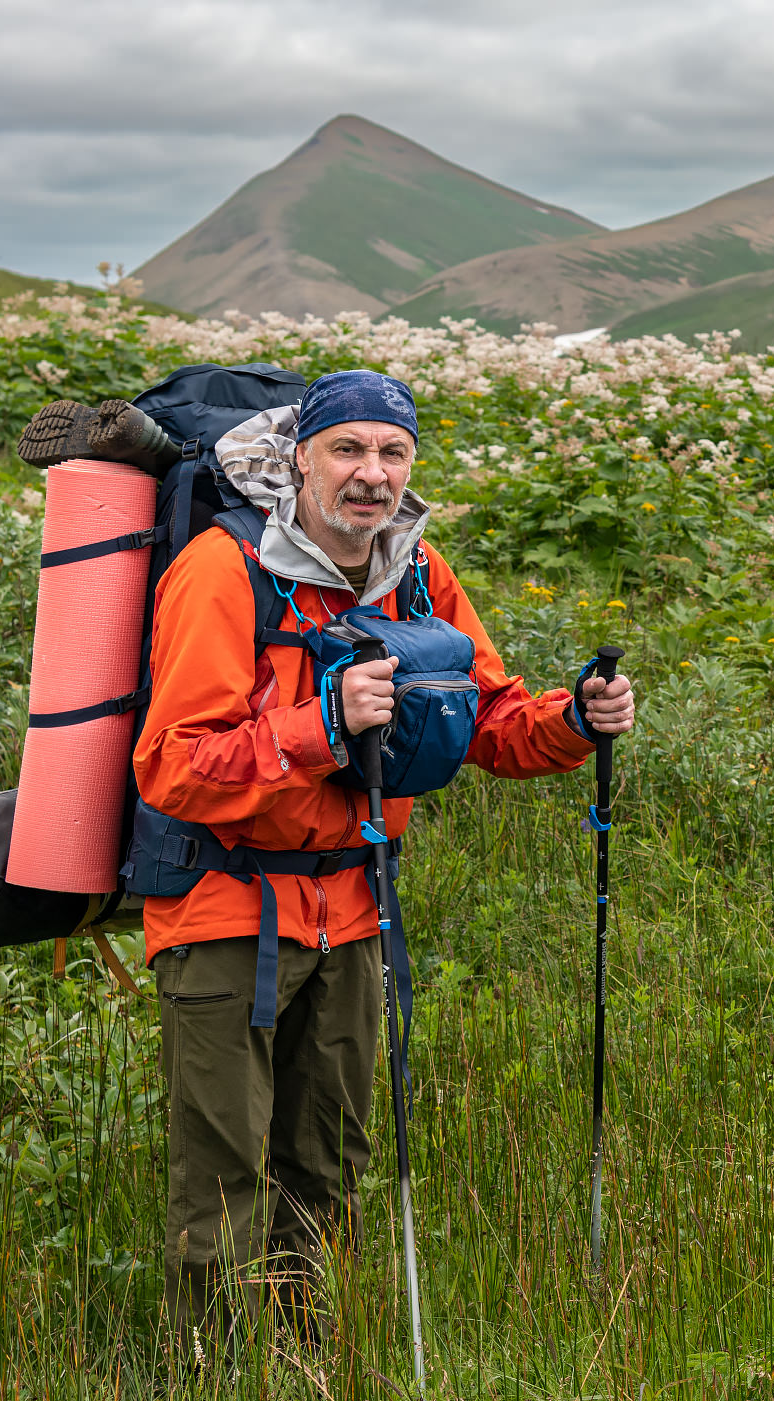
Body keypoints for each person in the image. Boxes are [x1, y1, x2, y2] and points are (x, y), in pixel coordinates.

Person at [131, 369, 635, 1346]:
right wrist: (322, 725)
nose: (371, 475)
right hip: (225, 911)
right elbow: (173, 769)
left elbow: (493, 722)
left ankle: (308, 1358)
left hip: (356, 915)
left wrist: (574, 720)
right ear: (299, 459)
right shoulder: (220, 570)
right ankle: (222, 1370)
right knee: (225, 1186)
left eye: (392, 452)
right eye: (349, 450)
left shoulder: (416, 571)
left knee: (325, 1170)